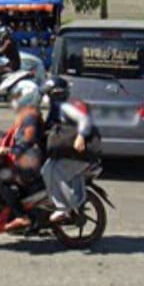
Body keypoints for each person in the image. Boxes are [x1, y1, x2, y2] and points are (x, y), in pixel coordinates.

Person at [40, 77, 99, 223]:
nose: (47, 98)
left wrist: (81, 136)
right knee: (46, 170)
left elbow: (84, 120)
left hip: (80, 154)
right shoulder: (56, 109)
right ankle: (66, 204)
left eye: (49, 94)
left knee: (56, 172)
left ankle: (64, 208)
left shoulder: (65, 107)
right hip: (69, 153)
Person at [0, 81, 46, 232]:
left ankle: (21, 216)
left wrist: (10, 150)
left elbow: (28, 140)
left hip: (31, 161)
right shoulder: (28, 113)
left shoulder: (30, 116)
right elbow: (17, 135)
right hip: (28, 159)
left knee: (2, 180)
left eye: (19, 96)